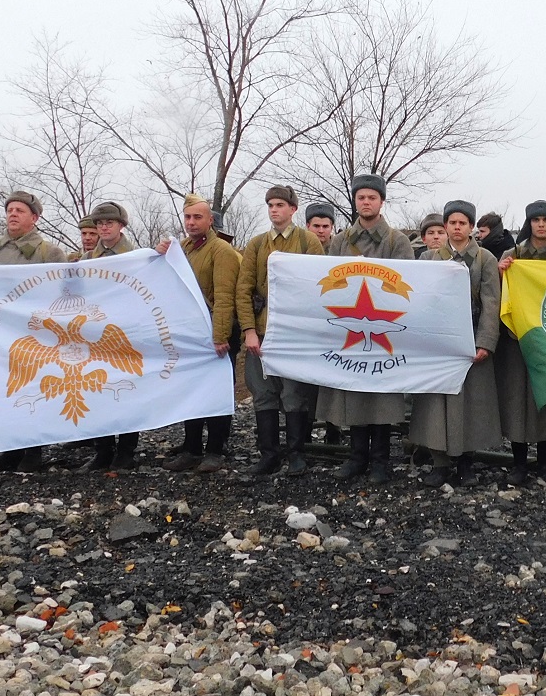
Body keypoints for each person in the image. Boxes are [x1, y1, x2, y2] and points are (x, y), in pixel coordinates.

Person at [321, 174, 416, 483]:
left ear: (381, 202)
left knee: (382, 394)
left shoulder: (397, 241)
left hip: (385, 327)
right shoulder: (339, 241)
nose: (366, 202)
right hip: (349, 326)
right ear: (355, 201)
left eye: (371, 198)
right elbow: (329, 281)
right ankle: (356, 456)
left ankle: (380, 460)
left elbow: (407, 284)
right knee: (354, 391)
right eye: (361, 197)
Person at [0, 191, 71, 473]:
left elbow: (59, 293)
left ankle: (33, 450)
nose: (13, 214)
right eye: (10, 210)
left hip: (34, 335)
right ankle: (9, 449)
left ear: (35, 218)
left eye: (19, 210)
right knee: (4, 388)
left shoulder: (49, 253)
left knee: (32, 389)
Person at [410, 200, 502, 486]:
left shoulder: (485, 258)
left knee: (470, 402)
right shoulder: (429, 259)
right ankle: (439, 463)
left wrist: (485, 341)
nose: (457, 227)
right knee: (436, 403)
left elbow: (491, 302)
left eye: (463, 223)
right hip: (438, 341)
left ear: (472, 227)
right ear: (446, 226)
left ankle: (466, 463)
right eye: (452, 223)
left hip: (471, 337)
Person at [237, 184, 325, 477]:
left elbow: (319, 287)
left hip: (294, 334)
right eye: (271, 205)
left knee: (294, 393)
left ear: (293, 209)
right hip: (262, 331)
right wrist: (249, 330)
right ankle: (269, 454)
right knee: (263, 392)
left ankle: (297, 453)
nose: (274, 210)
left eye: (280, 205)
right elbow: (243, 289)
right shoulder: (257, 244)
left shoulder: (308, 241)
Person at [156, 194, 242, 474]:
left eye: (197, 217)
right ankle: (191, 448)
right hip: (191, 335)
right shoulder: (183, 249)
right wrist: (159, 253)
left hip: (217, 334)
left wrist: (220, 336)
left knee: (215, 393)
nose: (191, 223)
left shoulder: (222, 251)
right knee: (192, 391)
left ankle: (215, 450)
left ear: (210, 220)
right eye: (188, 217)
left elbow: (225, 297)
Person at [496, 200, 546, 486]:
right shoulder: (511, 255)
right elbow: (497, 291)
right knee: (518, 400)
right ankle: (518, 464)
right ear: (528, 224)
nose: (541, 225)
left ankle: (545, 463)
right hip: (517, 339)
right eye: (535, 220)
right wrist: (500, 271)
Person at [81, 201, 141, 470]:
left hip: (123, 335)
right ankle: (102, 450)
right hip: (93, 338)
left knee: (126, 391)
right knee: (95, 390)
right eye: (100, 223)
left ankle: (126, 450)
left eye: (110, 223)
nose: (104, 227)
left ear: (121, 226)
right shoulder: (86, 259)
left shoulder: (137, 258)